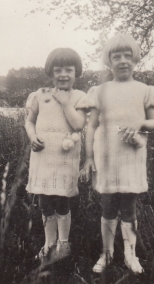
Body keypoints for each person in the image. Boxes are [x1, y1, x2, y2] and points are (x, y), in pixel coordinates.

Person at [80, 34, 154, 273]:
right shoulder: (99, 90)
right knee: (107, 206)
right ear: (109, 61)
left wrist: (139, 123)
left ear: (135, 59)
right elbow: (92, 126)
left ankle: (130, 254)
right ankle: (106, 253)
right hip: (106, 156)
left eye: (128, 56)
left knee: (128, 207)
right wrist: (89, 158)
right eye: (117, 57)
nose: (123, 61)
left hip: (131, 156)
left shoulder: (145, 90)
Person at [25, 48, 86, 261]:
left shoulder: (79, 97)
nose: (63, 74)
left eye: (68, 69)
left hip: (65, 157)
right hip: (42, 157)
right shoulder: (40, 95)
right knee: (44, 201)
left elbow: (78, 124)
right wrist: (32, 136)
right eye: (58, 69)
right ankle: (48, 242)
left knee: (62, 200)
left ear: (76, 72)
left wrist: (65, 101)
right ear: (50, 72)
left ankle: (63, 243)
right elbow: (30, 121)